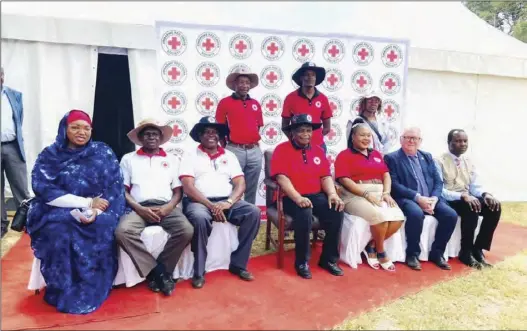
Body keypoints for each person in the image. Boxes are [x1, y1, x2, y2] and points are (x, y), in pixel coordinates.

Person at [26, 110, 125, 314]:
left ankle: (91, 282)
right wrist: (87, 202)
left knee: (102, 225)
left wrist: (96, 211)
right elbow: (44, 189)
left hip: (99, 208)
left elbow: (114, 186)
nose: (82, 132)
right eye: (75, 127)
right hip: (55, 208)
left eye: (87, 128)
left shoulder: (101, 152)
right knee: (58, 229)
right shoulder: (50, 155)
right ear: (65, 129)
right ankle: (62, 287)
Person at [179, 116, 261, 289]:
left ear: (220, 136)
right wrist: (211, 206)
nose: (211, 135)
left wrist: (229, 202)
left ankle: (238, 264)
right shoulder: (190, 155)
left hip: (225, 201)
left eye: (215, 132)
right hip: (199, 202)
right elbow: (187, 186)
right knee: (200, 219)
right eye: (207, 132)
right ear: (200, 136)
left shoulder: (230, 156)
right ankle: (199, 271)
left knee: (253, 212)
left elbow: (240, 183)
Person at [115, 119, 194, 296]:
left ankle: (162, 270)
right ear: (140, 138)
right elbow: (123, 190)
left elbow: (178, 191)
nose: (151, 137)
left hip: (166, 206)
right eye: (147, 134)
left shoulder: (172, 159)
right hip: (138, 208)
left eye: (155, 134)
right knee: (122, 232)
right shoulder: (129, 159)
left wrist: (168, 207)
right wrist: (138, 208)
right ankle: (156, 273)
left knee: (186, 230)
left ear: (161, 138)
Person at [271, 114, 345, 279]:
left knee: (336, 210)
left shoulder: (318, 150)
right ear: (292, 133)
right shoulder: (281, 150)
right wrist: (298, 198)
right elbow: (281, 178)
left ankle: (329, 259)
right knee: (305, 211)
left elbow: (325, 177)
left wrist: (332, 194)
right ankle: (302, 261)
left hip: (316, 194)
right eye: (301, 131)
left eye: (308, 130)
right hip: (290, 197)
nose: (305, 134)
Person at [384, 127, 458, 271]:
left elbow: (438, 181)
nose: (411, 141)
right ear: (401, 139)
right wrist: (418, 198)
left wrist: (435, 198)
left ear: (420, 141)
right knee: (416, 214)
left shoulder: (427, 157)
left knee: (450, 215)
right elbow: (395, 185)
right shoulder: (391, 158)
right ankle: (412, 254)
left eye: (415, 138)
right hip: (407, 198)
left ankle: (437, 253)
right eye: (408, 137)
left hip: (431, 198)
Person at [335, 123, 404, 271]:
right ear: (353, 137)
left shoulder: (376, 154)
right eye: (362, 135)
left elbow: (386, 175)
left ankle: (371, 245)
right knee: (379, 216)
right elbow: (344, 180)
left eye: (368, 135)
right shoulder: (344, 155)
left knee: (398, 218)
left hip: (379, 192)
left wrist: (386, 193)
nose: (366, 138)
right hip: (355, 194)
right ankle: (381, 252)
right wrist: (366, 194)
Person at [435, 129, 500, 268]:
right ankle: (466, 251)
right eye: (458, 141)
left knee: (495, 207)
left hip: (467, 197)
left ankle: (478, 248)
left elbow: (475, 186)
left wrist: (485, 194)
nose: (462, 144)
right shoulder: (439, 161)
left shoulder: (468, 161)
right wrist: (463, 196)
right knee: (471, 208)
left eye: (465, 141)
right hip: (450, 200)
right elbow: (440, 190)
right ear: (449, 143)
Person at [216, 68, 263, 205]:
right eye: (241, 82)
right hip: (234, 149)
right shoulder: (225, 102)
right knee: (231, 184)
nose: (244, 85)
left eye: (247, 82)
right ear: (234, 85)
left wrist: (251, 141)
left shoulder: (255, 104)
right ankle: (229, 214)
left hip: (254, 150)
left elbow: (258, 125)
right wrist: (226, 147)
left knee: (251, 187)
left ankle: (250, 215)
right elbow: (220, 128)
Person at [1, 67, 31, 238]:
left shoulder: (15, 95)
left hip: (12, 145)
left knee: (21, 186)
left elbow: (18, 118)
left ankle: (27, 221)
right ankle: (1, 224)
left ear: (2, 76)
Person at [281, 62, 332, 152]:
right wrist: (296, 140)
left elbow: (327, 127)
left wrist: (315, 138)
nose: (310, 77)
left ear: (316, 78)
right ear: (301, 78)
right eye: (307, 75)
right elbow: (285, 125)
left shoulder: (323, 98)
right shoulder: (290, 98)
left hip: (318, 147)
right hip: (296, 148)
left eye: (313, 75)